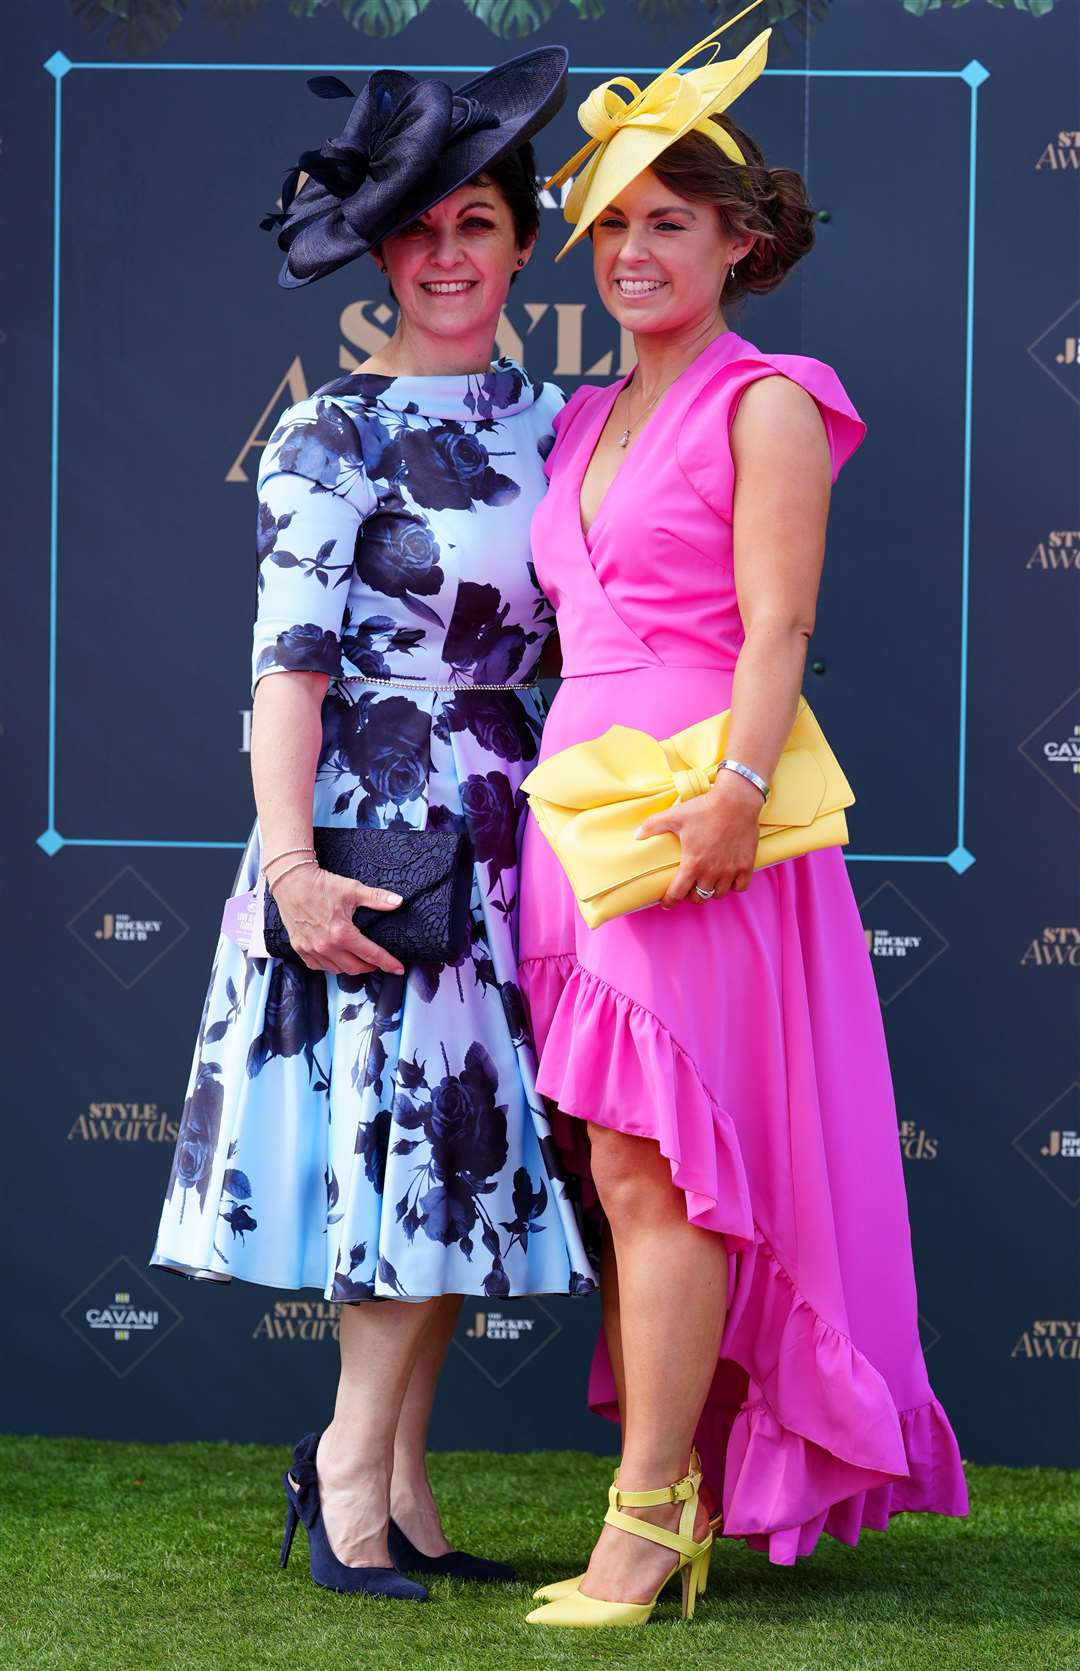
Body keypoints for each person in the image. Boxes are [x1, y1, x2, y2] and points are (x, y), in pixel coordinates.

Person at [519, 18, 968, 1629]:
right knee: (624, 1167)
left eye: (668, 222)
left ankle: (649, 1523)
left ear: (739, 241)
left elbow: (776, 631)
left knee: (671, 1175)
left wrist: (725, 797)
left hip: (701, 823)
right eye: (614, 225)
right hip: (578, 828)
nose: (633, 252)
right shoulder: (584, 421)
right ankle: (680, 1480)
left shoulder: (767, 401)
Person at [151, 50, 595, 1603]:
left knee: (459, 1160)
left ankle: (399, 1487)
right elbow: (287, 673)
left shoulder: (574, 424)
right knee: (404, 1153)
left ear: (526, 242)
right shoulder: (329, 435)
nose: (451, 254)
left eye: (479, 221)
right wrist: (293, 871)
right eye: (420, 232)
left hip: (525, 820)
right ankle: (348, 1471)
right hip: (377, 828)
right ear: (382, 257)